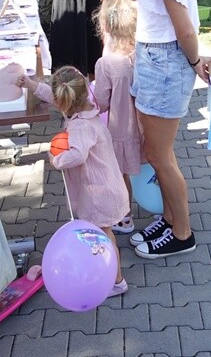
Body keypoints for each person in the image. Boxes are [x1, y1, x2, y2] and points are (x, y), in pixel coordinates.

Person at [112, 0, 211, 258]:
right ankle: (172, 217)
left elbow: (184, 26)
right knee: (157, 153)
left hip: (165, 63)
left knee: (160, 157)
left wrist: (196, 61)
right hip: (155, 60)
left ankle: (182, 232)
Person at [18, 66, 129, 297]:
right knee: (101, 234)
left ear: (64, 103)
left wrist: (56, 159)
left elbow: (78, 155)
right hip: (105, 184)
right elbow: (55, 96)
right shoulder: (87, 106)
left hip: (101, 193)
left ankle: (116, 281)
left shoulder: (80, 126)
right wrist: (31, 85)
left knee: (103, 237)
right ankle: (104, 271)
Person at [93, 0, 142, 234]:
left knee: (119, 174)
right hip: (145, 125)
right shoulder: (141, 55)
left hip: (121, 130)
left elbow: (101, 101)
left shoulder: (107, 64)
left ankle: (124, 217)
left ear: (106, 26)